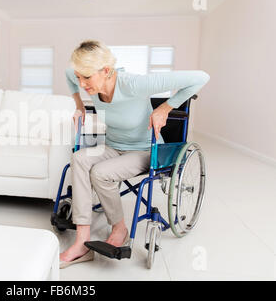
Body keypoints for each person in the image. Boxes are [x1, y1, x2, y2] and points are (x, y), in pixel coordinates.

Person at [60, 40, 210, 268]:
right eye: (80, 77)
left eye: (87, 78)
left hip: (144, 149)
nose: (81, 83)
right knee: (79, 158)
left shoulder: (133, 84)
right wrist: (79, 104)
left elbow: (200, 77)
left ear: (107, 71)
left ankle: (119, 228)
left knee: (100, 173)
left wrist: (165, 107)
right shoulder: (85, 79)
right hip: (113, 146)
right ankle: (82, 241)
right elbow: (68, 74)